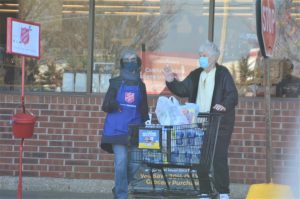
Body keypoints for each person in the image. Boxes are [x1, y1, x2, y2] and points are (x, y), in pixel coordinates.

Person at [162, 40, 238, 199]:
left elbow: (232, 95)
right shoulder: (197, 74)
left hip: (219, 123)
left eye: (204, 55)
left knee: (218, 156)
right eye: (200, 55)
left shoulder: (223, 73)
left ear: (213, 58)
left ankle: (223, 191)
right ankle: (205, 190)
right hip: (200, 123)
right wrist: (170, 80)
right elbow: (183, 90)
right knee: (200, 157)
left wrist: (223, 106)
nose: (201, 58)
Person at [100, 48, 149, 199]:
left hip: (135, 128)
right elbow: (105, 105)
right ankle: (121, 195)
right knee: (121, 162)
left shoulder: (141, 85)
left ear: (137, 62)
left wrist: (146, 124)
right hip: (117, 128)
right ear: (122, 63)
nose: (130, 63)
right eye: (126, 60)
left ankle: (119, 187)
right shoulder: (115, 83)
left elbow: (144, 108)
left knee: (136, 162)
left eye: (133, 60)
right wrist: (114, 104)